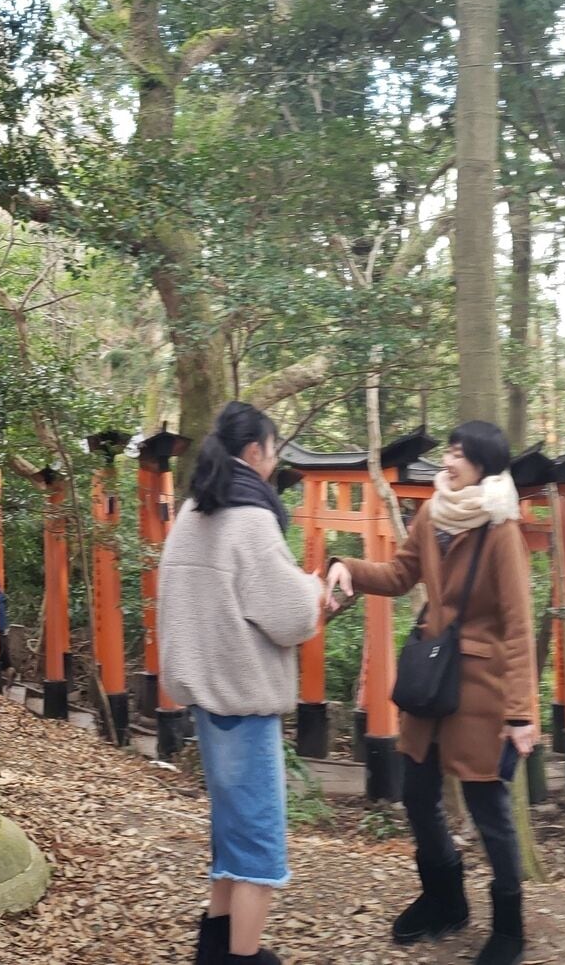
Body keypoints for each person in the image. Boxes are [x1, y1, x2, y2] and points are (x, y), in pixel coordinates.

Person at [328, 420, 536, 965]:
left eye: (459, 456)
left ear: (484, 466)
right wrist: (346, 567)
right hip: (431, 678)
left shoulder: (501, 529)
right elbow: (400, 575)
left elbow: (517, 625)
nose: (447, 462)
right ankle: (445, 899)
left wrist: (521, 713)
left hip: (483, 692)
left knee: (488, 806)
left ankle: (510, 927)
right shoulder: (432, 514)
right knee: (418, 795)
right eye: (448, 451)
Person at [159, 402, 337, 965]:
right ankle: (243, 955)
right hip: (243, 695)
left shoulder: (194, 511)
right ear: (256, 451)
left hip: (207, 697)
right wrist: (316, 593)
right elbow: (288, 615)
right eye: (274, 450)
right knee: (259, 847)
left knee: (232, 834)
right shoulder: (251, 517)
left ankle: (214, 943)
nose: (274, 462)